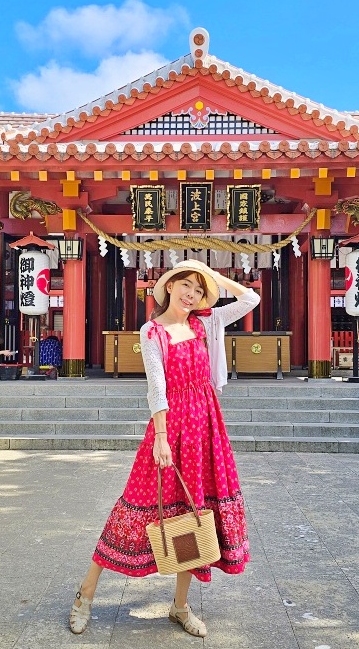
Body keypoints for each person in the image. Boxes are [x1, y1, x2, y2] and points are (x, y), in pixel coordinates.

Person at [70, 260, 260, 637]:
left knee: (195, 512)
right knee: (134, 505)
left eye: (199, 290)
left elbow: (251, 298)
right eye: (186, 285)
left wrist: (215, 278)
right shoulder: (152, 331)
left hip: (205, 425)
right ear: (169, 286)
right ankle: (85, 595)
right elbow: (156, 385)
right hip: (169, 424)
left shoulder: (205, 323)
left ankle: (180, 605)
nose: (191, 294)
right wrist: (159, 436)